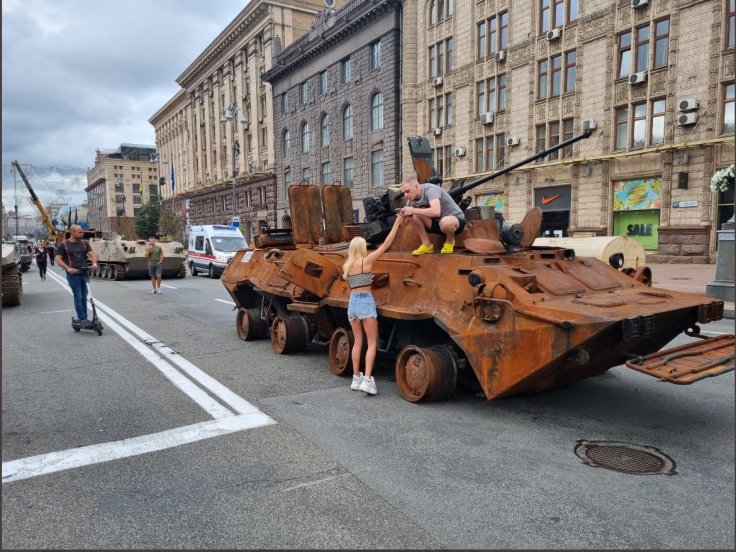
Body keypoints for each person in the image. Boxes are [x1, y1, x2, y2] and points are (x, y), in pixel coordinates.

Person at [343, 212, 405, 395]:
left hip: (352, 303)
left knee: (357, 342)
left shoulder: (346, 266)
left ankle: (356, 378)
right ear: (362, 248)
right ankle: (368, 380)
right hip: (365, 302)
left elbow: (350, 287)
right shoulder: (366, 261)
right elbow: (386, 244)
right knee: (371, 343)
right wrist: (398, 222)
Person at [399, 175, 466, 255]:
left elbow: (436, 212)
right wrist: (402, 214)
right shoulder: (411, 199)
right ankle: (426, 244)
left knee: (446, 222)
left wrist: (412, 210)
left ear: (416, 186)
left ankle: (450, 241)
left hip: (454, 222)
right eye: (404, 193)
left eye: (407, 191)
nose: (406, 195)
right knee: (411, 215)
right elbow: (408, 217)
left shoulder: (431, 190)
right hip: (436, 224)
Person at [55, 225, 98, 327]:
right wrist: (68, 268)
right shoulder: (63, 245)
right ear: (72, 232)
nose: (82, 233)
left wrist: (94, 263)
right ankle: (82, 319)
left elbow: (92, 254)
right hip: (73, 275)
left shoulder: (84, 243)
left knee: (84, 296)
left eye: (82, 232)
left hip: (84, 273)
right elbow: (58, 259)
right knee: (78, 296)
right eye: (80, 232)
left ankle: (84, 318)